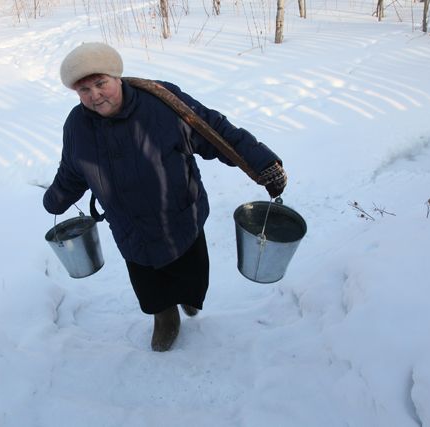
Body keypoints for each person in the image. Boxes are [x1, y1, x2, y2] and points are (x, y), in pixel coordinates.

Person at [43, 42, 287, 352]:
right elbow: (72, 170)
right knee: (148, 283)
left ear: (116, 76)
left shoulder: (162, 103)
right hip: (130, 227)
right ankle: (164, 316)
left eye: (100, 83)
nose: (94, 95)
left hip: (180, 216)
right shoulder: (77, 125)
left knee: (191, 271)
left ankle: (187, 298)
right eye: (84, 90)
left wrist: (262, 164)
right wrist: (55, 199)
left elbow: (214, 131)